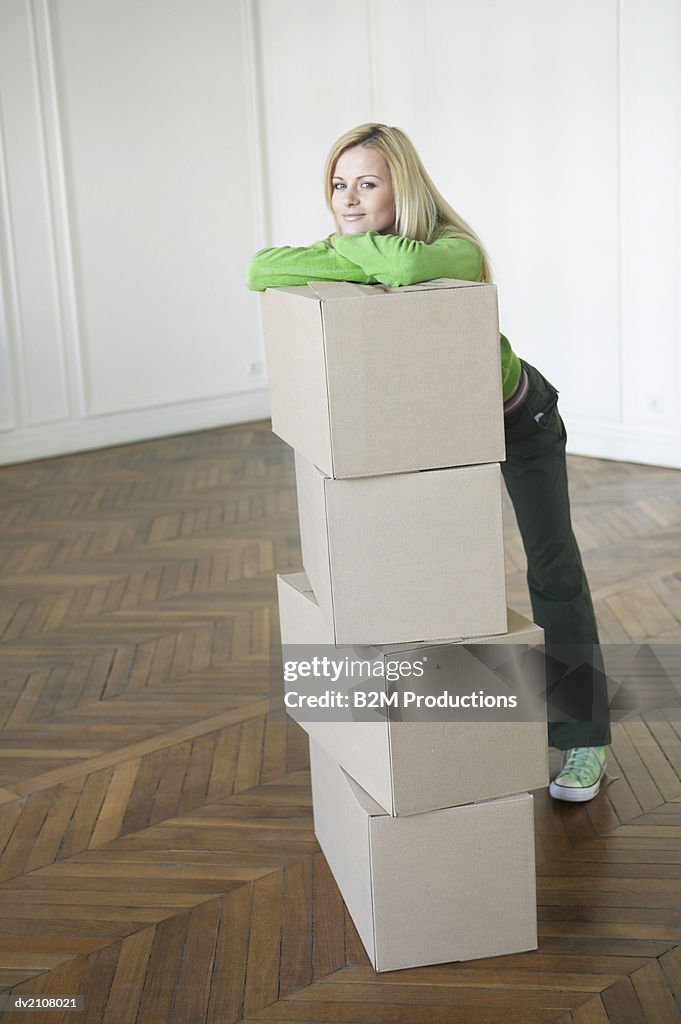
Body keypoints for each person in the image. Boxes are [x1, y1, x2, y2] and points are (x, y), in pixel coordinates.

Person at [246, 123, 611, 802]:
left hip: (517, 422)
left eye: (367, 183)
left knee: (552, 569)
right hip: (439, 434)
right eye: (337, 183)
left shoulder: (453, 247)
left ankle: (582, 738)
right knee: (430, 576)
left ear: (401, 188)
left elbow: (410, 269)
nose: (347, 199)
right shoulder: (352, 245)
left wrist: (347, 257)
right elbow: (260, 268)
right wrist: (356, 256)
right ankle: (451, 726)